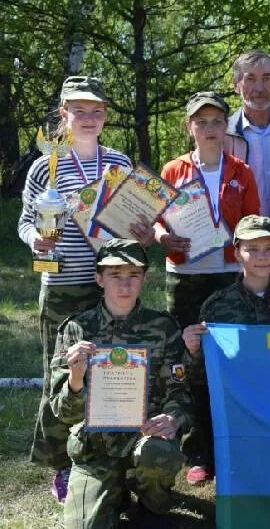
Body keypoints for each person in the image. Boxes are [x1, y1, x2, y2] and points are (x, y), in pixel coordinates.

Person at [17, 76, 154, 503]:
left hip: (112, 286)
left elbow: (136, 223)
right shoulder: (46, 165)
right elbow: (26, 221)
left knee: (115, 368)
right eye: (80, 110)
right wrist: (35, 241)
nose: (89, 118)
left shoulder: (119, 163)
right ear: (65, 114)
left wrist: (144, 233)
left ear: (106, 115)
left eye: (97, 111)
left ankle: (115, 457)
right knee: (63, 373)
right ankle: (61, 463)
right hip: (62, 284)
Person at [48, 239, 192, 527]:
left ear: (145, 278)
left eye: (133, 275)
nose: (125, 285)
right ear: (99, 278)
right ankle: (115, 493)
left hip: (145, 438)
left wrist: (172, 419)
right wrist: (75, 377)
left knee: (157, 452)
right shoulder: (77, 329)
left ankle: (152, 504)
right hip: (95, 448)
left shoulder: (163, 327)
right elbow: (63, 412)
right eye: (115, 275)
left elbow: (181, 394)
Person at [155, 92, 259, 485]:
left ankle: (231, 444)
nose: (210, 128)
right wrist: (163, 237)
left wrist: (239, 241)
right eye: (202, 122)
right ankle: (196, 449)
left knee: (230, 358)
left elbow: (253, 222)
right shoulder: (173, 170)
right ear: (190, 127)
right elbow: (156, 219)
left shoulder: (241, 171)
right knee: (189, 357)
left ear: (226, 127)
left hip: (229, 273)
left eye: (217, 121)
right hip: (184, 275)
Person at [181, 215, 270, 484]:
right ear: (237, 254)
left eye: (269, 249)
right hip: (237, 404)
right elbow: (199, 375)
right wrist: (193, 349)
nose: (262, 257)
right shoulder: (218, 306)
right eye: (252, 249)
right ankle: (205, 454)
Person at [224, 50, 270, 217]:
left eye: (266, 78)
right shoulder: (223, 136)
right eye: (250, 79)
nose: (259, 88)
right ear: (236, 85)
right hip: (239, 230)